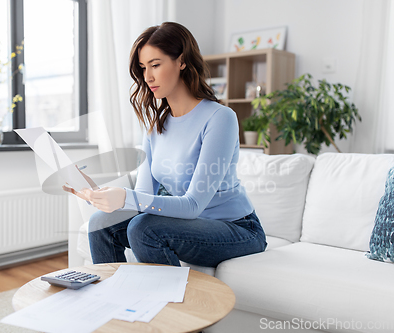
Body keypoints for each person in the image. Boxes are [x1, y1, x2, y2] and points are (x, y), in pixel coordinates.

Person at [63, 22, 267, 267]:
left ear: (181, 61)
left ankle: (166, 303)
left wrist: (126, 197)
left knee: (143, 229)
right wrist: (101, 196)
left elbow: (192, 206)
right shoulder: (155, 126)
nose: (148, 77)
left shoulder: (220, 118)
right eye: (143, 68)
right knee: (99, 224)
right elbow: (145, 196)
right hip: (186, 225)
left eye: (156, 65)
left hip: (237, 229)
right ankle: (113, 299)